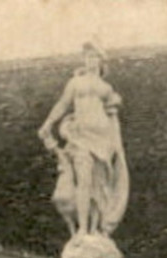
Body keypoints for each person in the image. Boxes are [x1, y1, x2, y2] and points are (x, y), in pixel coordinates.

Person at [37, 41, 129, 237]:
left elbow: (113, 115)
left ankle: (95, 228)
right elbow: (63, 104)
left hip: (102, 139)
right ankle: (82, 230)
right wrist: (48, 123)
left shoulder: (106, 88)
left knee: (99, 185)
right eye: (87, 56)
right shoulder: (76, 83)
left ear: (101, 61)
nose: (90, 60)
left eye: (94, 56)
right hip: (80, 137)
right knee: (84, 180)